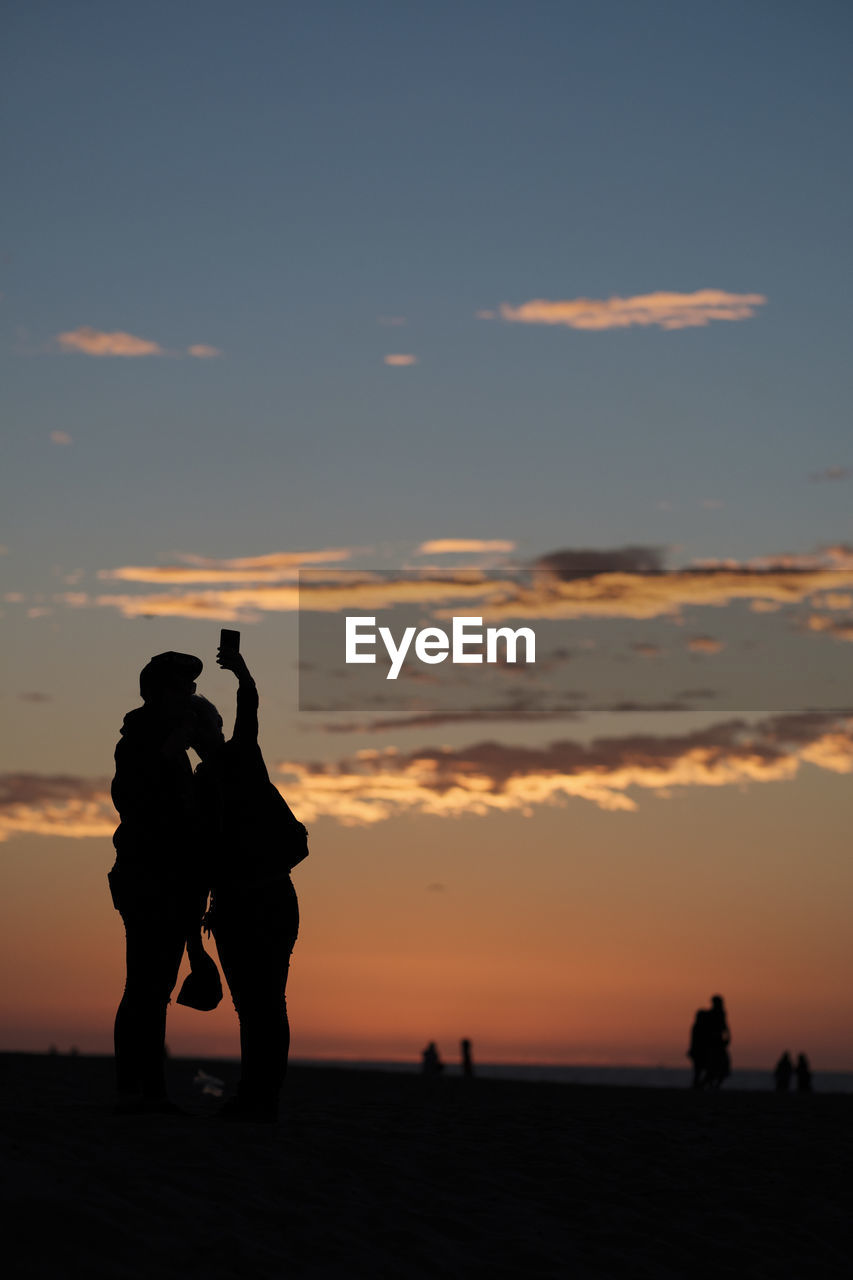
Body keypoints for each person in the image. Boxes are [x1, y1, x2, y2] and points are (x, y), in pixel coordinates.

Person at [192, 645, 308, 1122]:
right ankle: (255, 1095)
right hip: (236, 905)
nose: (202, 734)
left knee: (265, 1003)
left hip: (263, 900)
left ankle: (262, 1097)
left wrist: (241, 671)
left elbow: (250, 710)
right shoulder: (196, 783)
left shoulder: (240, 757)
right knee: (253, 1005)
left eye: (205, 725)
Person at [109, 651, 205, 1113]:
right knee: (144, 987)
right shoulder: (138, 745)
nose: (189, 697)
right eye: (182, 689)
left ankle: (147, 1087)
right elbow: (132, 799)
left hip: (172, 880)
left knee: (155, 987)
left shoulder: (173, 749)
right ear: (159, 694)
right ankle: (137, 1088)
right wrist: (175, 747)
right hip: (147, 880)